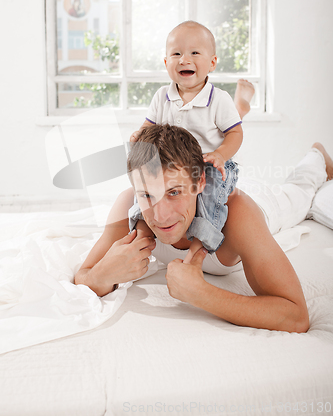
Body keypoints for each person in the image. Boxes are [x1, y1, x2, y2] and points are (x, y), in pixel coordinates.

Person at [74, 122, 333, 333]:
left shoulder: (240, 214)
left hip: (267, 202)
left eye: (174, 192)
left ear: (199, 183)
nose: (161, 216)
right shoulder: (129, 204)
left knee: (300, 191)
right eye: (148, 195)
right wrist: (102, 276)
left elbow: (296, 316)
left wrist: (202, 294)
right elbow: (84, 275)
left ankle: (316, 155)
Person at [129, 21, 246, 255]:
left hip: (208, 162)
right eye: (176, 53)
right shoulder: (162, 96)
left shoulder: (217, 99)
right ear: (166, 63)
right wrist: (139, 136)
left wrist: (220, 155)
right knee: (144, 181)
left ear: (212, 62)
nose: (184, 59)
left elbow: (235, 133)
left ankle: (201, 246)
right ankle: (139, 231)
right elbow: (149, 125)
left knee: (211, 196)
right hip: (173, 165)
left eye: (194, 52)